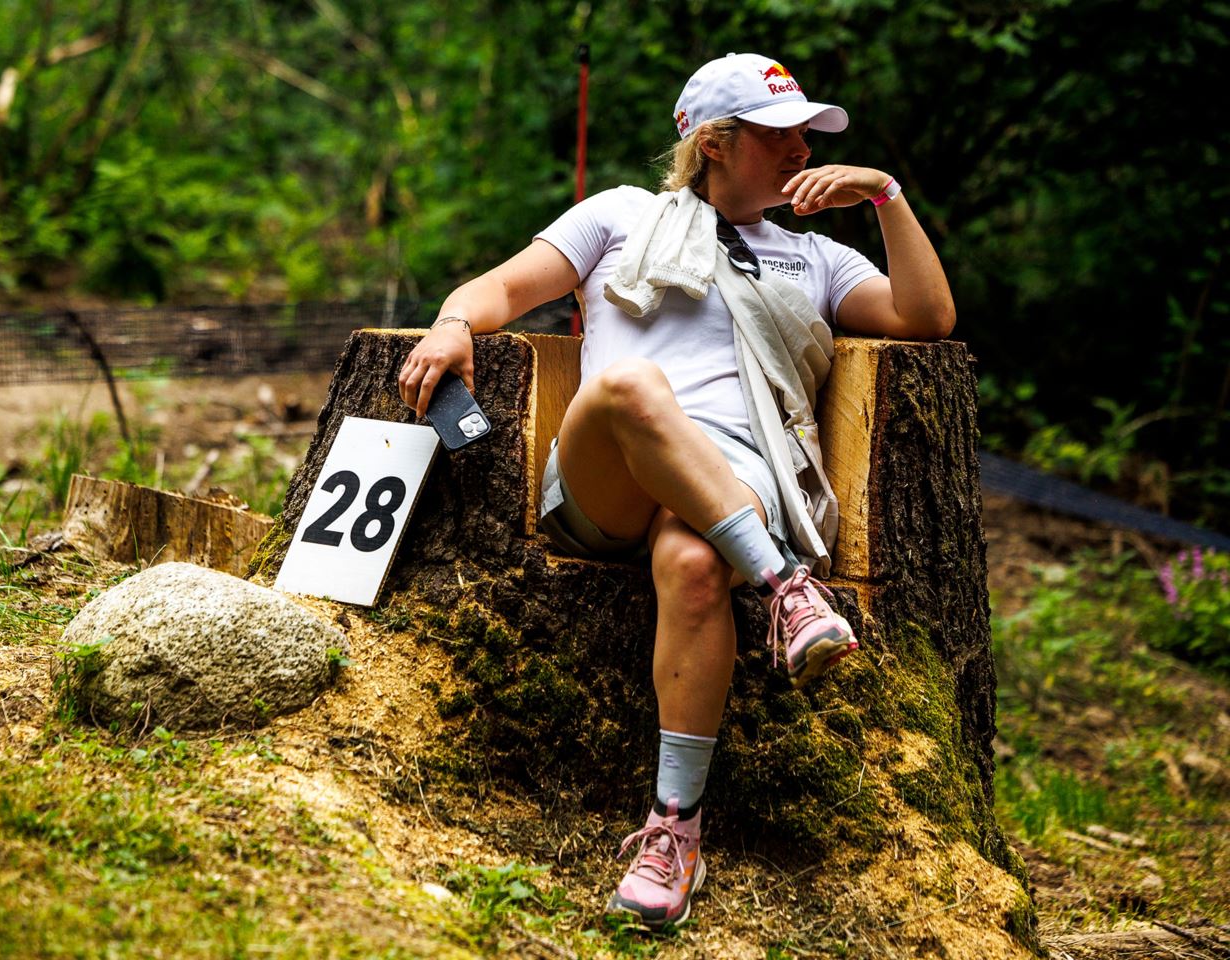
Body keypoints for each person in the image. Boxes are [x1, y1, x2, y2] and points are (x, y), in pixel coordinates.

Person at [397, 52, 954, 931]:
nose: (803, 148)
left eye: (807, 132)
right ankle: (786, 589)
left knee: (695, 564)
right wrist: (454, 321)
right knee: (628, 385)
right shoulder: (621, 217)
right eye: (781, 135)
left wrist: (887, 196)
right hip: (609, 471)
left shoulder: (815, 259)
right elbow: (503, 285)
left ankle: (674, 827)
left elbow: (927, 319)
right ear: (718, 144)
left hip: (737, 481)